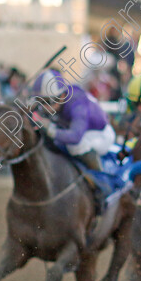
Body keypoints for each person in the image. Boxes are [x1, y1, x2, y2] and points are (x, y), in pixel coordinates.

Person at [31, 69, 116, 213]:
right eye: (41, 101)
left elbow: (75, 137)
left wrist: (49, 128)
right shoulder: (59, 99)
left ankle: (101, 184)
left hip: (100, 134)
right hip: (76, 130)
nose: (45, 107)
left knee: (73, 146)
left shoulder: (78, 106)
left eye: (49, 102)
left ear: (63, 96)